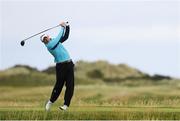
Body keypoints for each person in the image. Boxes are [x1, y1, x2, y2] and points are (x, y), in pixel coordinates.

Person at [41, 21, 74, 111]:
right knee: (59, 85)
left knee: (70, 85)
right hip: (60, 67)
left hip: (69, 64)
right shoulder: (50, 45)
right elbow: (59, 37)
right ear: (44, 42)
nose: (45, 39)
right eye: (44, 40)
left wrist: (67, 26)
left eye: (45, 37)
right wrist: (62, 27)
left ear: (48, 36)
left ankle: (66, 105)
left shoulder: (55, 41)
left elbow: (65, 37)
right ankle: (51, 101)